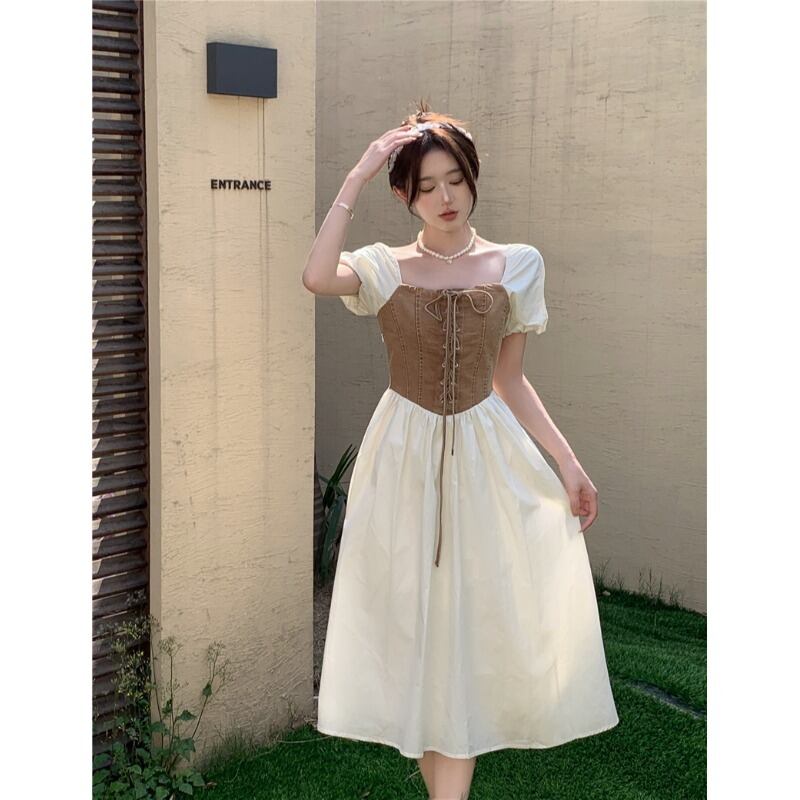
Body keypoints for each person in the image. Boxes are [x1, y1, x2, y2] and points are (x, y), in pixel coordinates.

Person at [302, 102, 619, 800]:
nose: (445, 197)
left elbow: (510, 379)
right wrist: (356, 175)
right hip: (401, 462)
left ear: (473, 179)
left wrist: (568, 463)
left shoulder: (518, 264)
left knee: (468, 637)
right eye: (426, 186)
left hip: (485, 459)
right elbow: (318, 277)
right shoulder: (383, 267)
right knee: (414, 636)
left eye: (456, 180)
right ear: (403, 195)